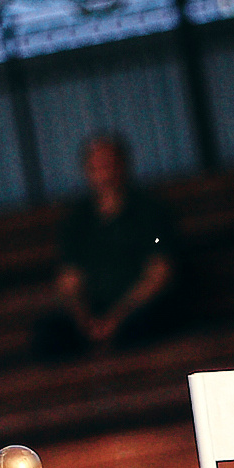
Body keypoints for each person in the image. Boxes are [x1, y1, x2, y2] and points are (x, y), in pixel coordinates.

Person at [31, 133, 181, 359]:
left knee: (144, 329)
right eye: (96, 166)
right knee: (49, 335)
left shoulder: (150, 212)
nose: (104, 173)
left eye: (109, 164)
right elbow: (69, 281)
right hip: (94, 314)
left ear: (123, 165)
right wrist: (85, 320)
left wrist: (117, 317)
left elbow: (160, 272)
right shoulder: (77, 221)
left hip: (140, 309)